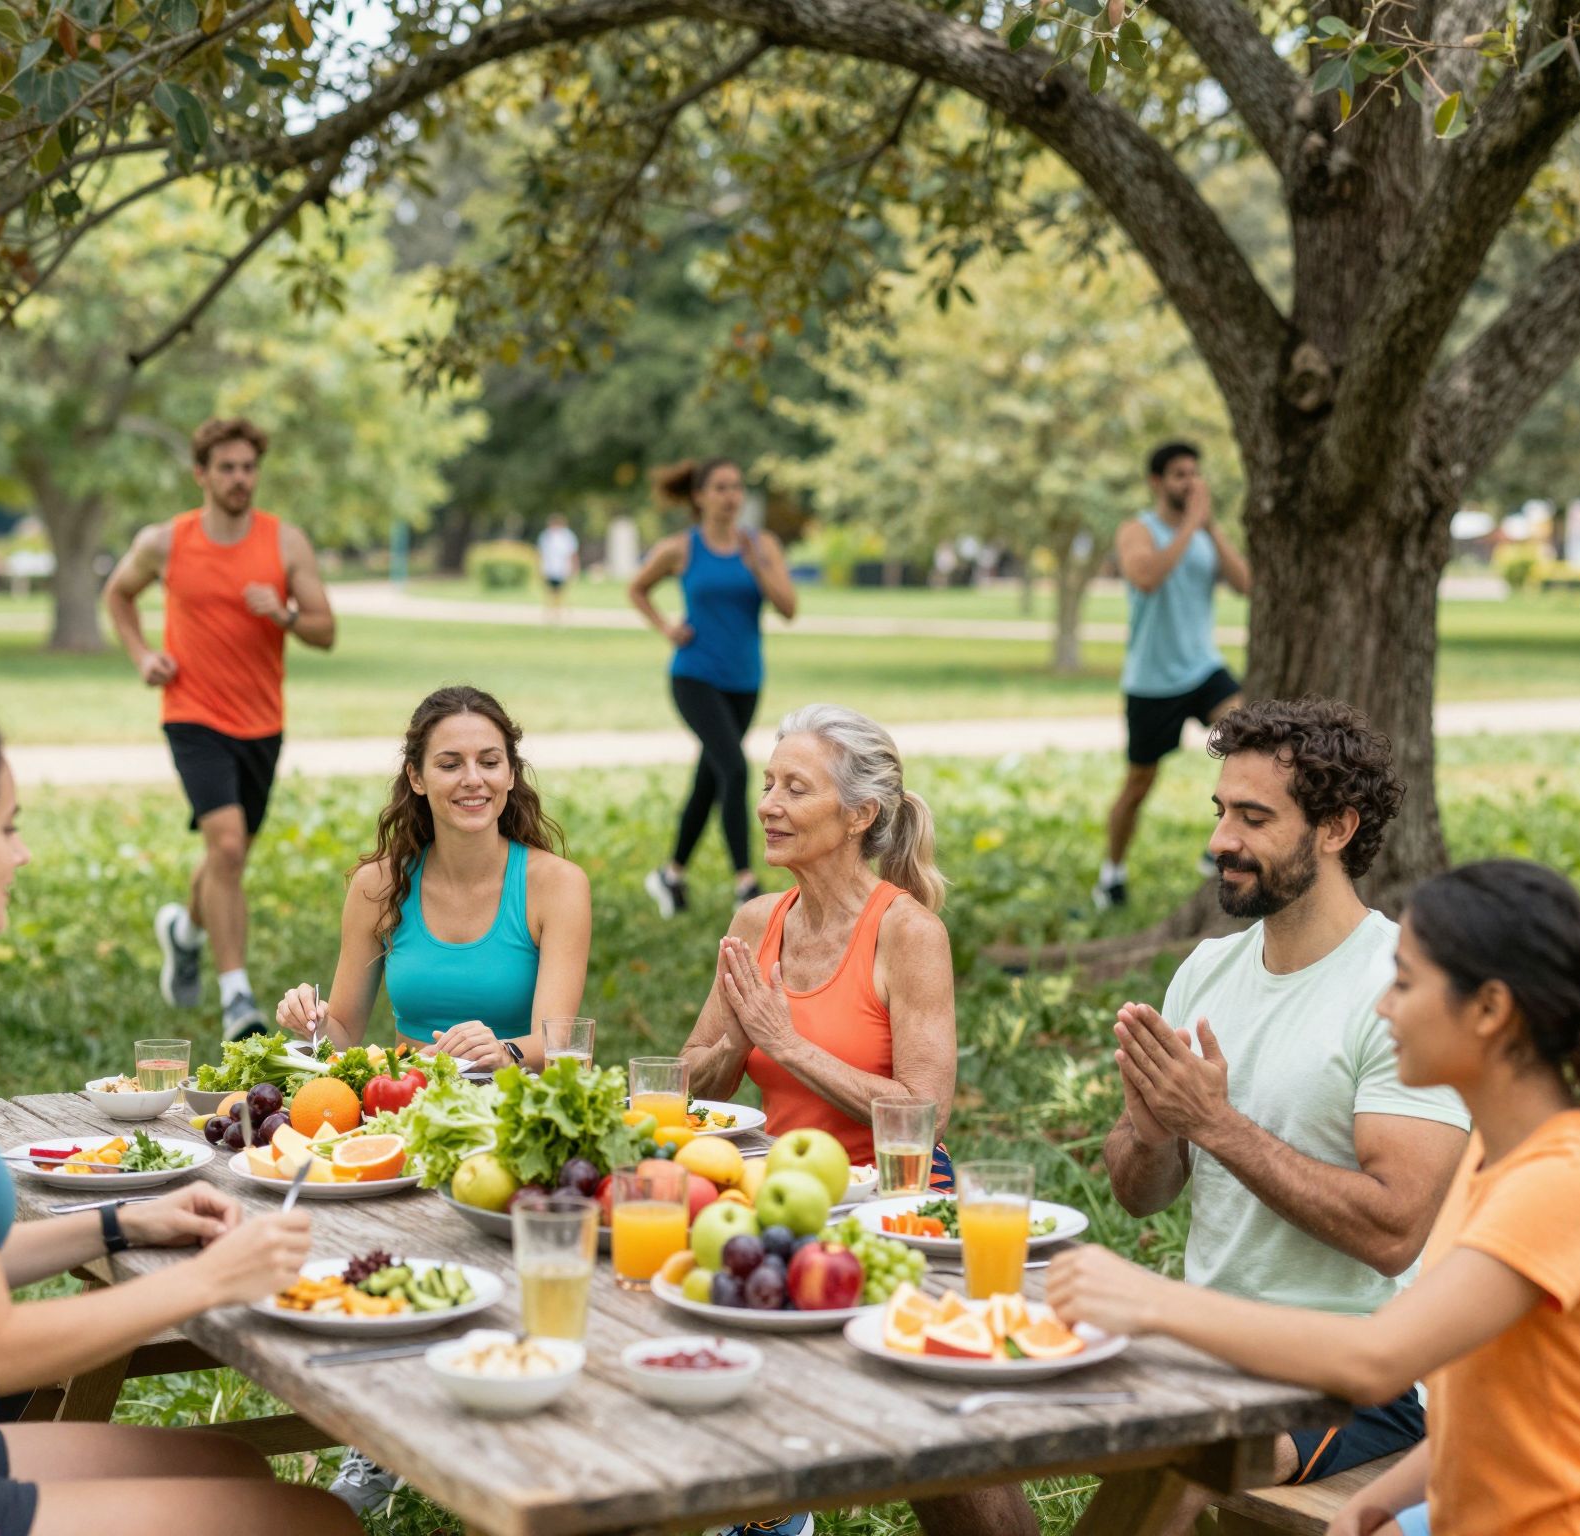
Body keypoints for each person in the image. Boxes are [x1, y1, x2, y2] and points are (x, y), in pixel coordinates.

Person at [0, 702, 347, 1536]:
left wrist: (127, 1222)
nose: (22, 852)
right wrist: (209, 1282)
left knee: (230, 1463)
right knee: (313, 1523)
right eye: (7, 828)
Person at [1052, 860, 1580, 1536]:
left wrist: (1150, 1302)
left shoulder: (1569, 1180)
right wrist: (1376, 1505)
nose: (1384, 1005)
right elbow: (1492, 1402)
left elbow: (1378, 1360)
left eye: (1405, 984)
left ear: (1491, 1009)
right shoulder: (1495, 1157)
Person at [1098, 697, 1471, 1534]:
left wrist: (1216, 1124)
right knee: (995, 1406)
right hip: (1209, 1344)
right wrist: (1155, 1133)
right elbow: (1139, 1194)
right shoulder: (1206, 971)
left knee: (1184, 1450)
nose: (1221, 840)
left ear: (1336, 827)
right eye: (1220, 811)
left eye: (1254, 817)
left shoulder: (1401, 990)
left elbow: (1393, 1231)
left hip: (1359, 1373)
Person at [678, 705, 1032, 1536]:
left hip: (897, 1205)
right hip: (781, 1197)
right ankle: (772, 1516)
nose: (766, 802)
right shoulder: (754, 923)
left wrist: (782, 1041)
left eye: (793, 788)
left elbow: (924, 1110)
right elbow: (700, 1079)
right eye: (767, 783)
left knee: (941, 1438)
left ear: (859, 815)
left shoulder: (908, 933)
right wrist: (721, 1047)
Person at [104, 417, 337, 1041]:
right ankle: (238, 997)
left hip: (262, 722)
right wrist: (142, 656)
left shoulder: (286, 543)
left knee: (226, 855)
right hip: (191, 714)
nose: (240, 479)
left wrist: (283, 612)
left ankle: (184, 932)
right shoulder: (166, 541)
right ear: (201, 474)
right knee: (228, 847)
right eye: (227, 467)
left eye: (248, 468)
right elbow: (118, 595)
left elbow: (326, 630)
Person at [274, 685, 590, 1072]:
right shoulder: (378, 885)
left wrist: (504, 1052)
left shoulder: (558, 885)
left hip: (519, 1108)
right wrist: (313, 1021)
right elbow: (343, 1034)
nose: (473, 779)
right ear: (416, 777)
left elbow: (558, 1042)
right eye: (450, 764)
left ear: (510, 775)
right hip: (409, 1106)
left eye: (489, 762)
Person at [628, 458, 797, 917]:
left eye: (737, 487)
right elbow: (638, 588)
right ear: (700, 496)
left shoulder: (762, 546)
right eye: (721, 487)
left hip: (745, 680)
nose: (731, 496)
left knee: (711, 776)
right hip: (694, 675)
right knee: (736, 769)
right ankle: (746, 882)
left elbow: (788, 608)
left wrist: (758, 566)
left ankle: (671, 876)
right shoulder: (681, 548)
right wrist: (667, 628)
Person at [1096, 441, 1252, 910]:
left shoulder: (1204, 534)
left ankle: (1219, 845)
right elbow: (1145, 577)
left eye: (1194, 473)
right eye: (1180, 474)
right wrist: (1189, 526)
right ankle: (1112, 875)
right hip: (1151, 681)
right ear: (1157, 482)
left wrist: (1211, 527)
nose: (1190, 481)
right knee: (1139, 784)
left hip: (1203, 667)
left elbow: (1247, 585)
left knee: (1247, 738)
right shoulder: (1136, 530)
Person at [537, 513, 581, 621]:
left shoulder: (567, 536)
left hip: (562, 568)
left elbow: (572, 553)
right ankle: (550, 613)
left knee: (561, 592)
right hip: (549, 568)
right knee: (550, 592)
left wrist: (575, 567)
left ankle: (560, 612)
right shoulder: (546, 536)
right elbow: (541, 553)